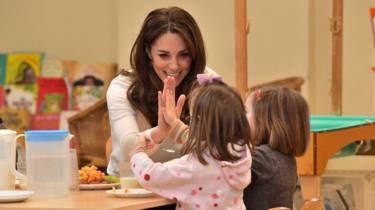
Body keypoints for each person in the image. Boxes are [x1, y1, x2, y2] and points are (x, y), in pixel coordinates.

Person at [106, 6, 216, 175]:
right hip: (129, 186)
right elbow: (129, 145)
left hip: (188, 187)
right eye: (164, 55)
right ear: (148, 52)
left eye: (184, 55)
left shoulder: (206, 81)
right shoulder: (121, 86)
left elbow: (220, 140)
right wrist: (161, 131)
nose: (174, 65)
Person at [129, 76, 252, 209]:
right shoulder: (241, 151)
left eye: (192, 118)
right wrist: (175, 125)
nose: (190, 123)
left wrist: (137, 152)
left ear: (199, 122)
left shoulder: (194, 166)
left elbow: (150, 175)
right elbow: (204, 142)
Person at [243, 86, 310, 210]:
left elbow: (223, 168)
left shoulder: (263, 158)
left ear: (264, 119)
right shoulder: (285, 158)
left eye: (246, 111)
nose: (241, 117)